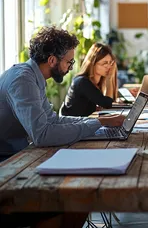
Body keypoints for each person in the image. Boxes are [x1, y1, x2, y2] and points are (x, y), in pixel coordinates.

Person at [0, 27, 125, 228]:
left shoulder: (33, 77)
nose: (70, 67)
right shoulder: (23, 79)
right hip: (7, 164)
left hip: (17, 157)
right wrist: (97, 123)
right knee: (70, 197)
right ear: (52, 60)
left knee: (81, 193)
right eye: (68, 61)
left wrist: (99, 122)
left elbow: (53, 120)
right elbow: (43, 134)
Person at [61, 43, 118, 117]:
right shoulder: (82, 82)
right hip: (73, 126)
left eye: (110, 63)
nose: (109, 67)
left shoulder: (96, 81)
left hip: (82, 124)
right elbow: (107, 104)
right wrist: (109, 79)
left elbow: (105, 102)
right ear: (93, 63)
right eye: (104, 63)